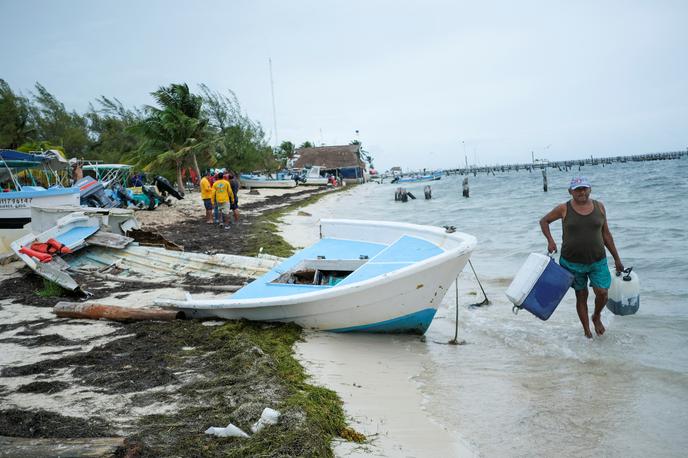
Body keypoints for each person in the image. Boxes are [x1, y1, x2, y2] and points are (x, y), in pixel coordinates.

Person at [540, 176, 624, 338]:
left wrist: (617, 258)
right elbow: (544, 221)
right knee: (581, 295)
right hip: (572, 263)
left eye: (584, 188)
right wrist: (550, 240)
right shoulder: (563, 209)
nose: (582, 192)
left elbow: (606, 234)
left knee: (602, 293)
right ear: (570, 191)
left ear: (590, 189)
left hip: (598, 260)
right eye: (578, 189)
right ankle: (587, 331)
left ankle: (596, 316)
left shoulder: (600, 207)